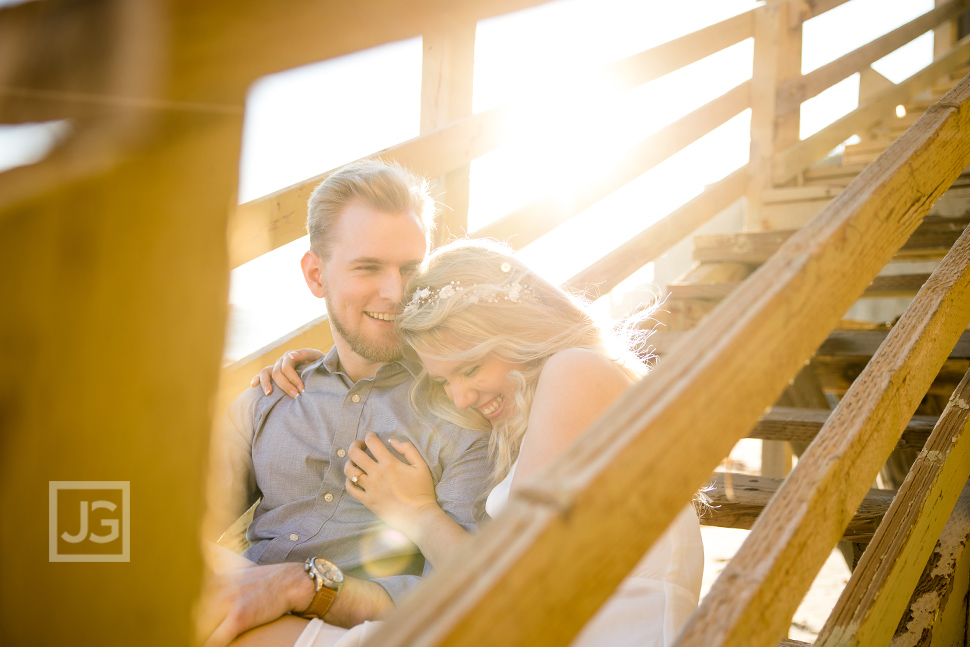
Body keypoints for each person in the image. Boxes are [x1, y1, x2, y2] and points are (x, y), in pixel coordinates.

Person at [259, 240, 705, 647]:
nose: (460, 398)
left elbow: (510, 592)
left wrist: (415, 513)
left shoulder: (575, 371)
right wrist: (333, 374)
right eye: (443, 380)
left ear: (520, 330)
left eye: (469, 368)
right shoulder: (546, 410)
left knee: (245, 626)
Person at [198, 160, 493, 647]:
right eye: (368, 267)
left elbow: (467, 590)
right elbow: (175, 520)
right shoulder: (271, 398)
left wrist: (305, 589)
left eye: (410, 269)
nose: (395, 292)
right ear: (316, 275)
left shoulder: (461, 412)